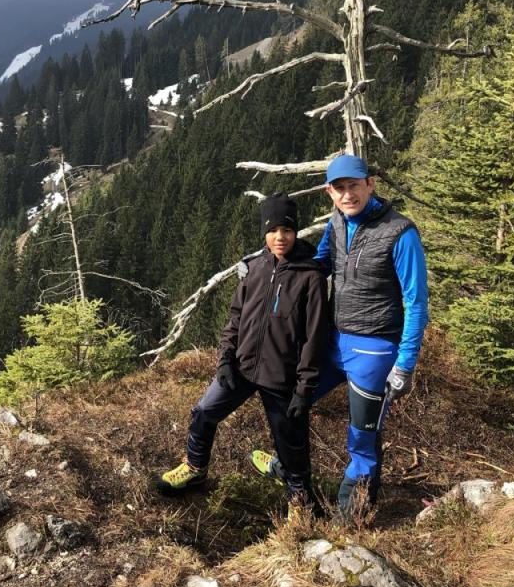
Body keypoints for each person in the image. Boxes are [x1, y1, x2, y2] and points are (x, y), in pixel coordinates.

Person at [251, 154, 428, 519]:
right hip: (333, 342)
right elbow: (319, 265)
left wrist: (405, 365)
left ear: (370, 185)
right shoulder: (338, 221)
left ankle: (351, 518)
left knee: (362, 437)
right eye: (340, 188)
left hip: (375, 350)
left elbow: (416, 302)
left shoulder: (400, 232)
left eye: (354, 186)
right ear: (329, 192)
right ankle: (291, 471)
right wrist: (266, 268)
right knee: (290, 403)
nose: (348, 195)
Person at [157, 193, 330, 506]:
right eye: (273, 230)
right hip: (242, 367)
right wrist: (225, 359)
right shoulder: (253, 268)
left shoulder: (311, 277)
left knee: (291, 443)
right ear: (264, 232)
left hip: (282, 377)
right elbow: (235, 318)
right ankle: (195, 467)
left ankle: (299, 500)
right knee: (204, 412)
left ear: (295, 231)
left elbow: (314, 337)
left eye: (287, 230)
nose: (280, 237)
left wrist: (304, 388)